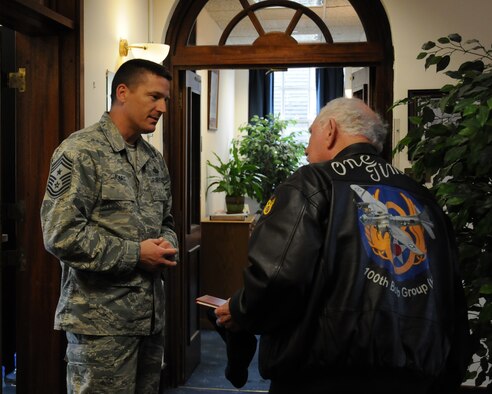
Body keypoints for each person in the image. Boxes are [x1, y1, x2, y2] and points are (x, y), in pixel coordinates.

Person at [215, 97, 471, 394]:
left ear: (330, 130)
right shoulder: (423, 198)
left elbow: (277, 278)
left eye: (311, 134)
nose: (306, 148)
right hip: (415, 379)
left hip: (320, 376)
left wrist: (241, 310)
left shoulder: (311, 184)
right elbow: (451, 298)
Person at [40, 58, 178, 393]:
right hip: (100, 327)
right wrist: (135, 254)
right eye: (154, 97)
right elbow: (61, 235)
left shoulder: (152, 158)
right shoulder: (79, 151)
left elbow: (167, 221)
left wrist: (166, 244)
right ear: (122, 92)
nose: (161, 107)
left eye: (165, 100)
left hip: (149, 322)